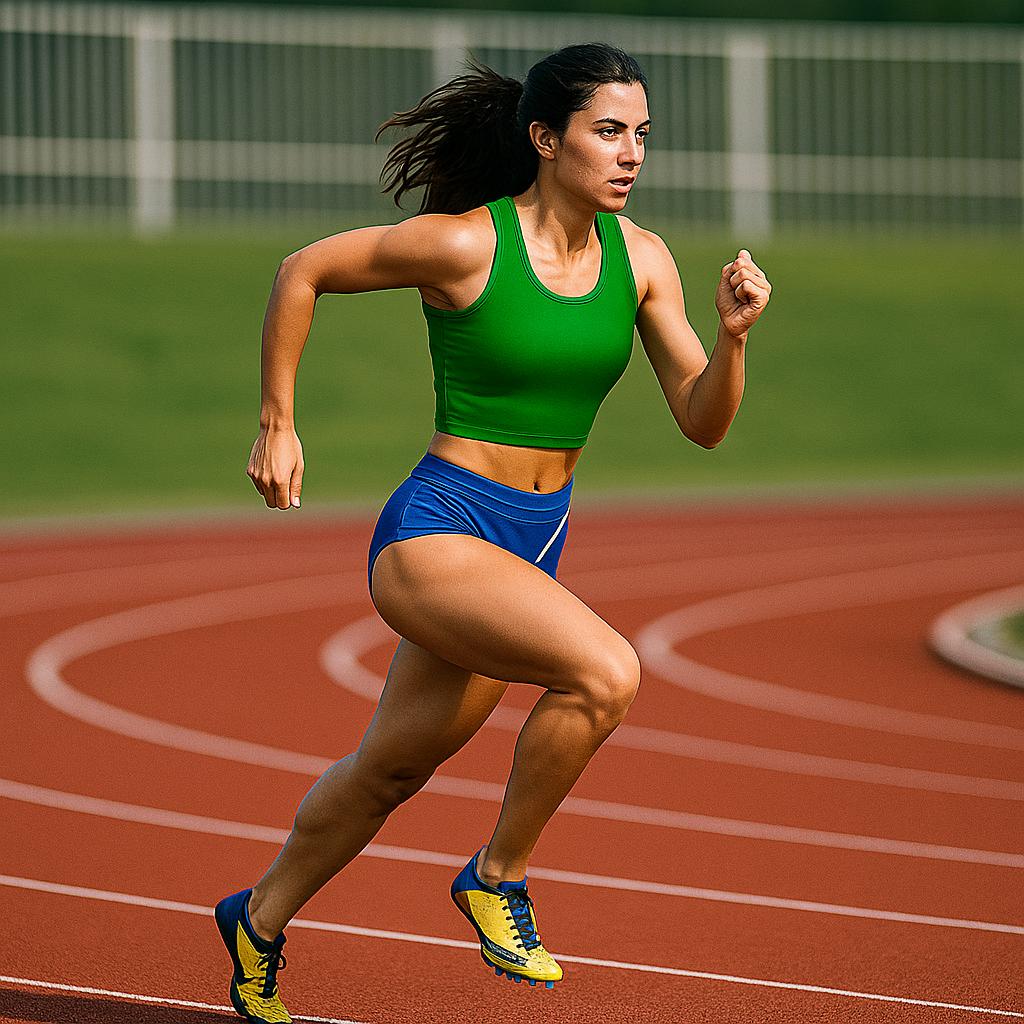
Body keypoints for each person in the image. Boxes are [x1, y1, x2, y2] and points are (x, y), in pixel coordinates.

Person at [214, 40, 771, 1023]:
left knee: (391, 767)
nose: (631, 153)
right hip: (438, 529)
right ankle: (495, 876)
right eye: (608, 132)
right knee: (605, 671)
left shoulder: (641, 261)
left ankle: (256, 920)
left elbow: (703, 419)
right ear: (544, 138)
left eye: (642, 135)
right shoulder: (467, 244)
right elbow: (304, 270)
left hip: (532, 540)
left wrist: (729, 340)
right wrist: (276, 420)